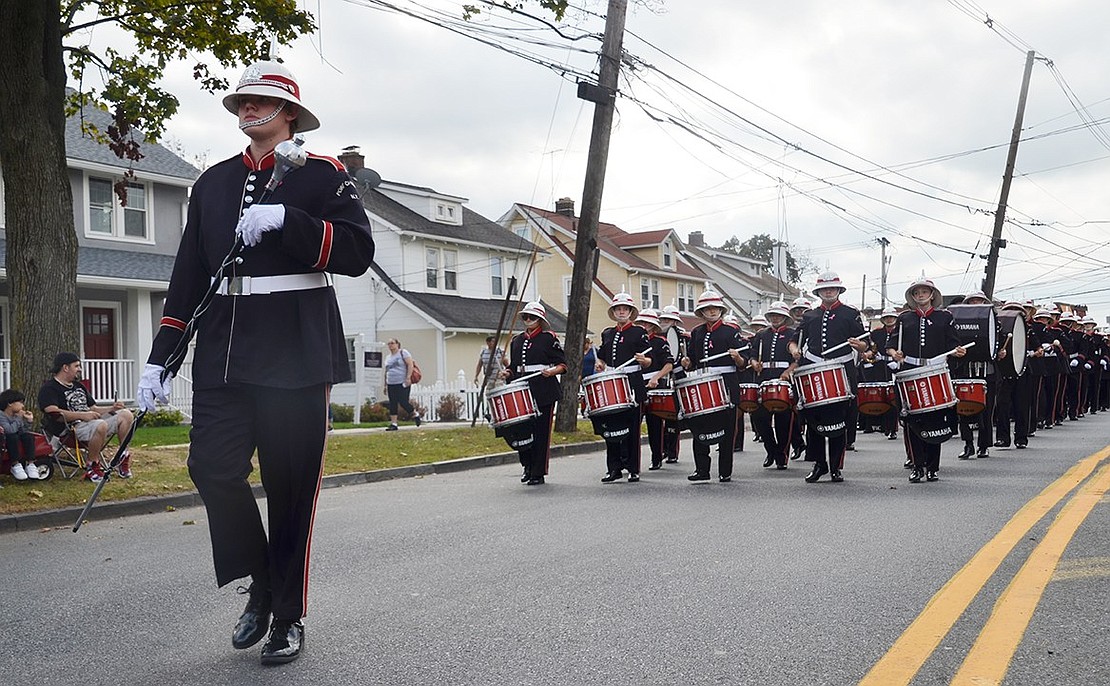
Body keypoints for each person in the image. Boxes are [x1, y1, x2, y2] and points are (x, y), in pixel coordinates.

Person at [135, 60, 375, 665]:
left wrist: (291, 222)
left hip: (296, 351)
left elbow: (356, 252)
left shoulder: (325, 175)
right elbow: (188, 274)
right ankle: (262, 584)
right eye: (241, 101)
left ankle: (288, 614)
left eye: (260, 101)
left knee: (291, 490)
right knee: (212, 468)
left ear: (288, 112)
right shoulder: (211, 183)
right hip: (224, 348)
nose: (246, 108)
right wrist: (160, 360)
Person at [787, 272, 868, 483]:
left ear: (839, 290)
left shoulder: (850, 314)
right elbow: (795, 340)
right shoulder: (810, 315)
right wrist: (795, 349)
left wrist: (860, 346)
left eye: (832, 288)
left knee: (839, 420)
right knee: (814, 418)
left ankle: (835, 466)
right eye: (824, 289)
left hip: (841, 368)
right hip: (813, 368)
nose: (828, 291)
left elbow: (864, 343)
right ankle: (819, 464)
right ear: (819, 292)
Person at [886, 277, 966, 482]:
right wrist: (895, 354)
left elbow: (954, 344)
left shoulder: (944, 317)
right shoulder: (904, 318)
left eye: (924, 292)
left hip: (936, 370)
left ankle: (933, 467)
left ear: (932, 295)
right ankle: (917, 465)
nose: (920, 295)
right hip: (910, 370)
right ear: (913, 297)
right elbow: (892, 345)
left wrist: (958, 352)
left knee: (935, 418)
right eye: (916, 293)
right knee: (912, 419)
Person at [681, 290, 747, 483]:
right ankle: (702, 470)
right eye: (707, 309)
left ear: (721, 310)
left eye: (715, 308)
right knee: (699, 427)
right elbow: (693, 360)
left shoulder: (731, 332)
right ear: (702, 312)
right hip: (703, 386)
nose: (712, 311)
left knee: (727, 430)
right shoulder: (697, 333)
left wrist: (738, 358)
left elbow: (744, 362)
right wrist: (687, 362)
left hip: (726, 384)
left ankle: (725, 471)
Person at [39, 352, 134, 482]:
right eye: (76, 366)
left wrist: (112, 408)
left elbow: (93, 409)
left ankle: (122, 456)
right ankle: (92, 466)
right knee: (101, 424)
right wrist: (83, 416)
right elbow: (52, 412)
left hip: (92, 423)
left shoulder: (79, 386)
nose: (79, 369)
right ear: (65, 368)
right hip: (70, 429)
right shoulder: (49, 388)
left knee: (126, 414)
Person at [500, 302, 566, 485]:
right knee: (522, 430)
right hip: (522, 390)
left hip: (543, 388)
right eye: (525, 317)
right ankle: (527, 466)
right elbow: (514, 367)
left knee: (540, 433)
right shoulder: (517, 340)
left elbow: (562, 364)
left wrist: (552, 372)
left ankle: (538, 471)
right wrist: (508, 373)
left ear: (540, 320)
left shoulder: (548, 338)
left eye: (532, 317)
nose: (528, 320)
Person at [595, 292, 649, 483]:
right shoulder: (608, 333)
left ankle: (633, 468)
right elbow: (602, 355)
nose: (621, 312)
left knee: (632, 428)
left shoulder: (639, 332)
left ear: (630, 312)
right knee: (612, 427)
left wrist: (645, 361)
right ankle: (614, 468)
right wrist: (600, 363)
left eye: (625, 309)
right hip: (612, 382)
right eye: (618, 309)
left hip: (632, 381)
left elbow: (649, 360)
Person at [748, 301, 798, 470]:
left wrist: (787, 372)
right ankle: (771, 449)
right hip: (763, 379)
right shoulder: (761, 335)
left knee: (784, 420)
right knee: (759, 417)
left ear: (785, 317)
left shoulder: (792, 334)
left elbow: (798, 360)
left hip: (784, 379)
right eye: (772, 315)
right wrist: (754, 363)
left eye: (779, 315)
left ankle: (782, 455)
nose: (775, 318)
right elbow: (752, 354)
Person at [633, 310, 675, 470]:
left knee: (654, 423)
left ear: (653, 326)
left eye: (647, 323)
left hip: (655, 384)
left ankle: (657, 457)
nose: (644, 326)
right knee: (632, 421)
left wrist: (656, 378)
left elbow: (669, 364)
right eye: (641, 323)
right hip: (637, 383)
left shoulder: (660, 342)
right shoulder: (634, 339)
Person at [0, 389, 40, 481]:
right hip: (6, 439)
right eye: (20, 403)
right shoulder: (2, 416)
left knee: (28, 437)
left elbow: (24, 430)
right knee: (12, 437)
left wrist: (28, 421)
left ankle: (30, 463)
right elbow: (9, 430)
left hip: (17, 435)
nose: (23, 406)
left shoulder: (16, 415)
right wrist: (19, 419)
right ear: (10, 403)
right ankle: (15, 464)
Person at [383, 338, 422, 430]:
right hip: (391, 383)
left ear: (397, 344)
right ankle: (394, 424)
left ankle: (414, 414)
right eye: (388, 344)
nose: (390, 345)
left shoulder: (403, 353)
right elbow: (386, 371)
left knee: (403, 402)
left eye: (392, 343)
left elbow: (410, 365)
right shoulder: (388, 358)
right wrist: (385, 385)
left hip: (402, 382)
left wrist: (408, 378)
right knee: (392, 403)